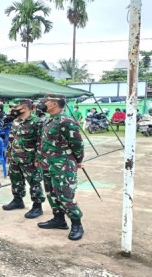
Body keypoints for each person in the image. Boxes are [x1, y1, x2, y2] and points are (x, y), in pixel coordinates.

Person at [36, 94, 85, 241]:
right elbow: (43, 142)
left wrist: (78, 160)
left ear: (54, 104)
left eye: (46, 101)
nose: (43, 103)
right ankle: (59, 219)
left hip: (63, 165)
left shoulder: (66, 121)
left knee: (65, 195)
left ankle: (77, 224)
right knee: (51, 193)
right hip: (48, 164)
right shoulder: (48, 120)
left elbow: (77, 144)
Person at [2, 100, 45, 219]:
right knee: (15, 179)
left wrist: (38, 159)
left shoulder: (37, 122)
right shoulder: (16, 121)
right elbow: (11, 138)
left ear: (25, 108)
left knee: (34, 182)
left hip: (30, 159)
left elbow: (41, 142)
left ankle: (37, 206)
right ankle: (18, 200)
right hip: (15, 157)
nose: (13, 109)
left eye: (16, 107)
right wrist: (9, 154)